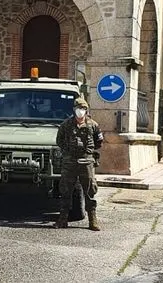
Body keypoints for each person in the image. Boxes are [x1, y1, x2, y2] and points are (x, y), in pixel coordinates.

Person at [54, 96, 104, 231]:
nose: (80, 111)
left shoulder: (93, 125)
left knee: (89, 191)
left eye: (82, 109)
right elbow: (59, 141)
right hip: (69, 162)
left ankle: (93, 221)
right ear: (73, 110)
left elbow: (99, 141)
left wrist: (89, 152)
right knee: (65, 191)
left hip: (86, 162)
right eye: (78, 109)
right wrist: (67, 153)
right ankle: (62, 220)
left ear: (86, 110)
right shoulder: (66, 125)